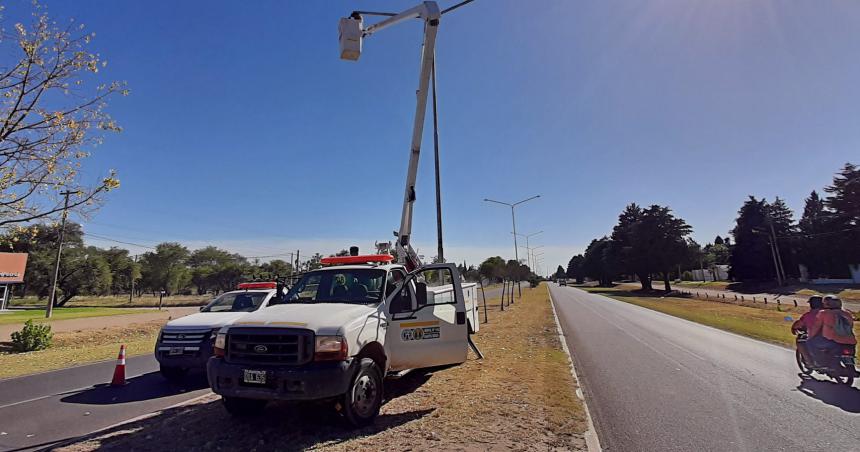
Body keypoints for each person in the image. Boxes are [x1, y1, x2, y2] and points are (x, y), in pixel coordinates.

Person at [806, 295, 856, 367]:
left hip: (833, 342)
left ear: (826, 304)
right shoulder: (847, 314)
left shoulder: (823, 313)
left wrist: (810, 336)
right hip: (851, 342)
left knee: (810, 342)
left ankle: (819, 363)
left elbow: (816, 327)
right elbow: (850, 327)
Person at [792, 295, 823, 364]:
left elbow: (798, 324)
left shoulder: (808, 315)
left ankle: (809, 361)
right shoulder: (829, 313)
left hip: (816, 338)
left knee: (800, 341)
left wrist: (793, 328)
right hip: (831, 338)